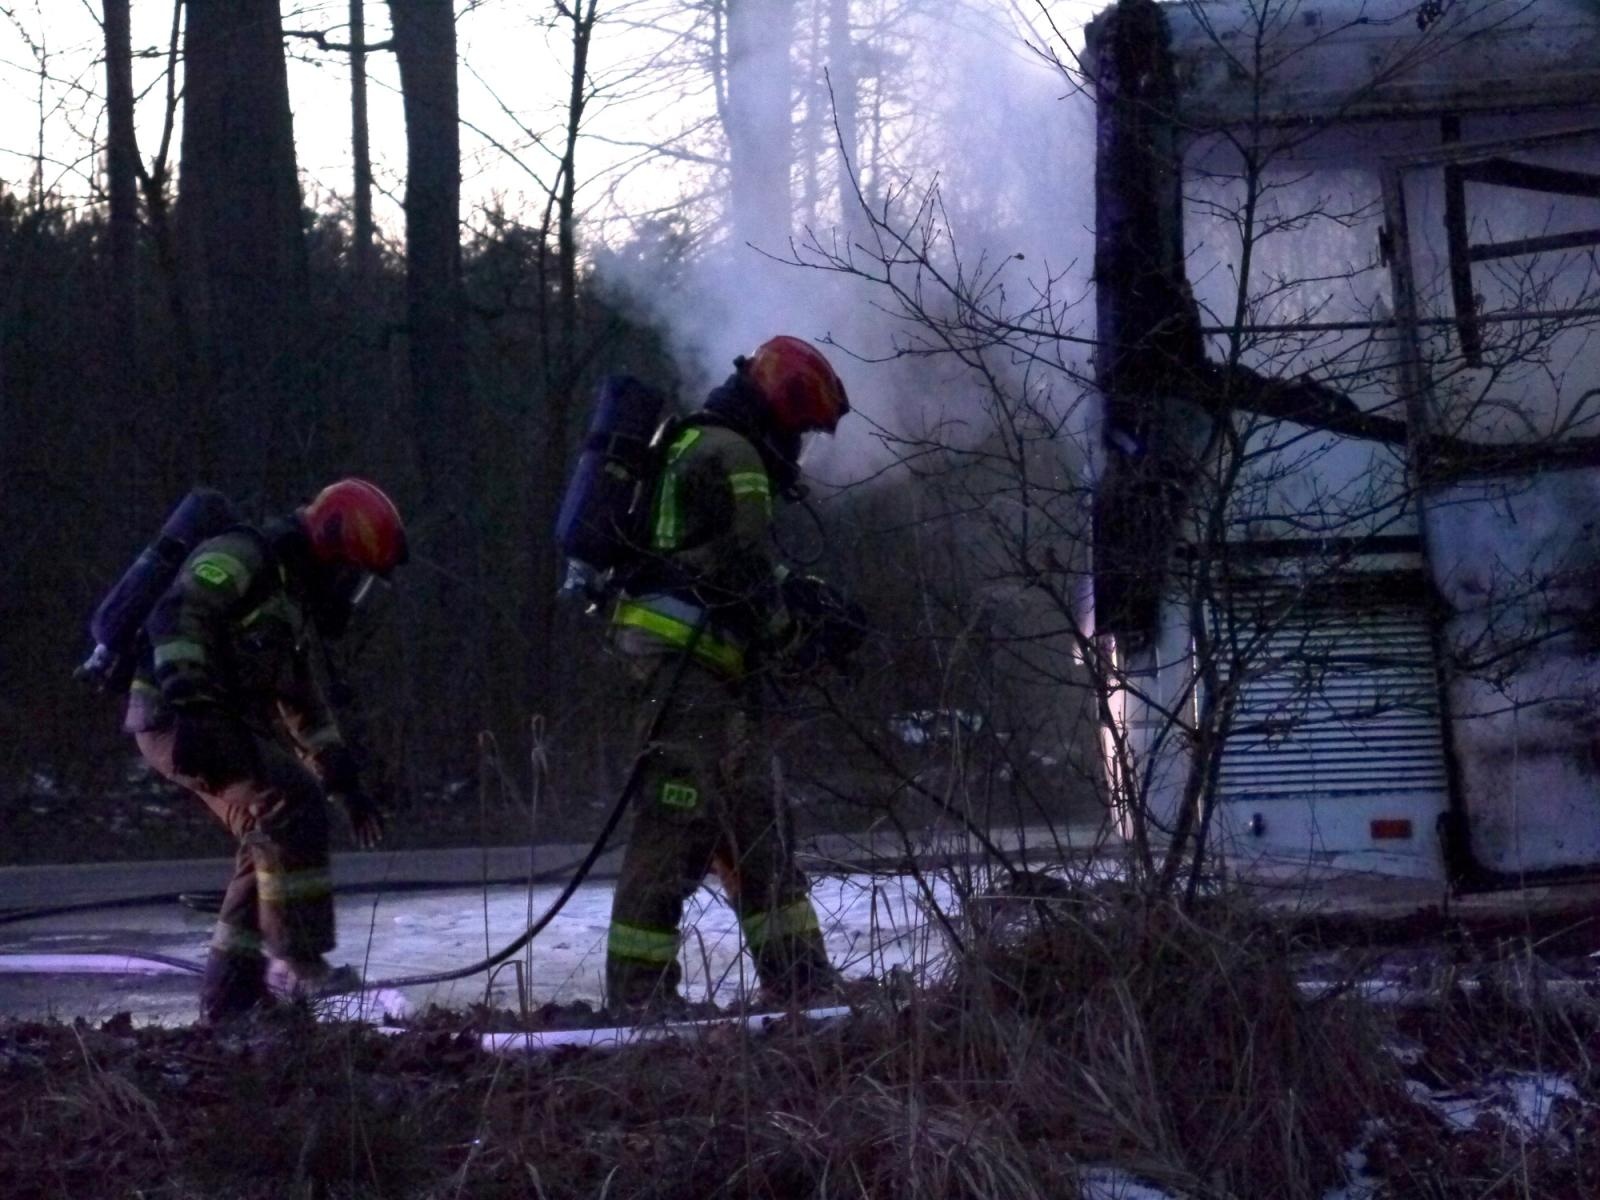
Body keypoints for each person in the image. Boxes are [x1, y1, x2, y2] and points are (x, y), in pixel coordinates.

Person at [604, 335, 852, 1015]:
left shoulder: (702, 442)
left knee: (754, 823)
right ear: (783, 415)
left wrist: (803, 596)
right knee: (676, 819)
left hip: (693, 671)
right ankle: (639, 998)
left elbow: (708, 561)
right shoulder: (739, 457)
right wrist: (801, 638)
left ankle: (801, 979)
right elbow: (742, 579)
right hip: (682, 671)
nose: (801, 449)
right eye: (802, 430)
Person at [123, 478, 407, 1023]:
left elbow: (301, 703)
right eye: (355, 576)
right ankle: (298, 966)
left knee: (265, 838)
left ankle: (229, 1004)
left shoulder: (286, 594)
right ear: (331, 552)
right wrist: (190, 692)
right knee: (290, 802)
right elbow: (177, 612)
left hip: (208, 719)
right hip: (174, 716)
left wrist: (344, 780)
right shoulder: (243, 556)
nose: (352, 593)